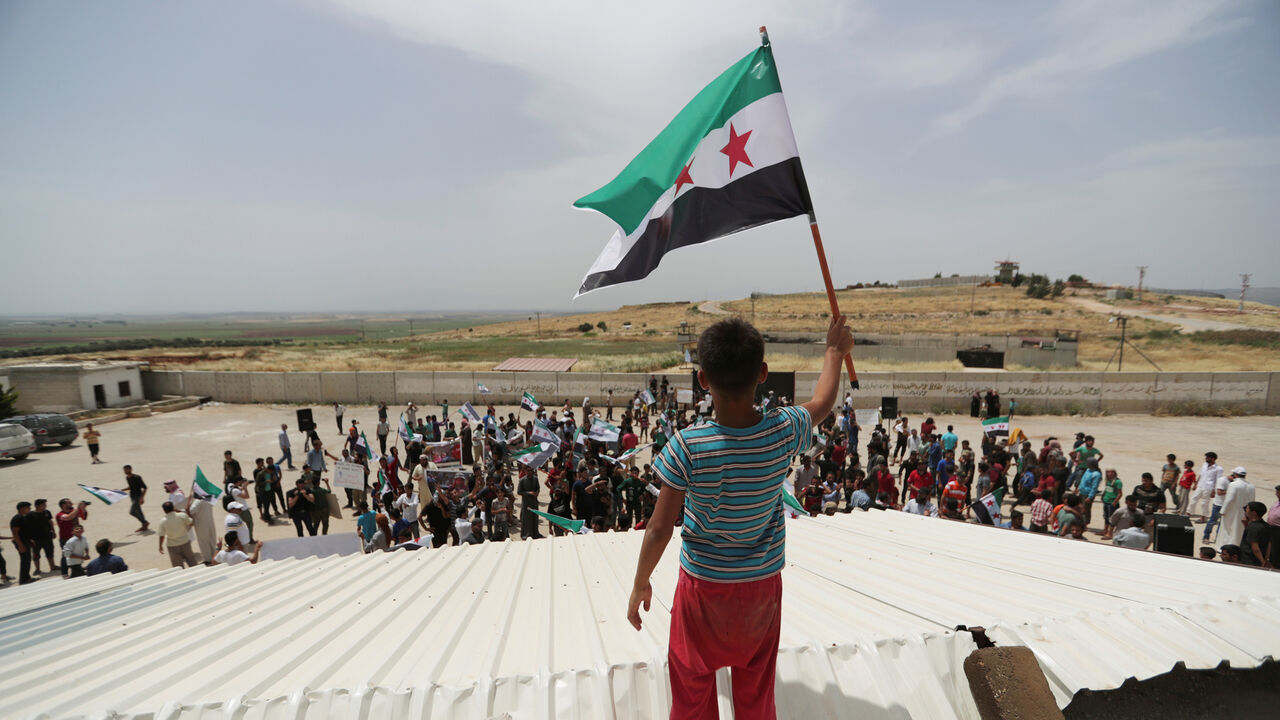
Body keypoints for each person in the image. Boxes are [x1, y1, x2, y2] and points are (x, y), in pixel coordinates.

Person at [627, 314, 852, 719]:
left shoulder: (686, 445)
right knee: (756, 694)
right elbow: (823, 402)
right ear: (763, 373)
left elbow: (660, 528)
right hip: (760, 593)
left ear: (702, 379)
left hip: (701, 592)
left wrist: (641, 583)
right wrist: (834, 351)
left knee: (692, 693)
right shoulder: (784, 430)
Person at [1219, 468, 1255, 548]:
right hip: (1246, 512)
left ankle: (1226, 547)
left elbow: (1229, 499)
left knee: (1228, 530)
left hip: (1232, 512)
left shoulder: (1233, 484)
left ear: (1235, 474)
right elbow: (1252, 500)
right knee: (1240, 530)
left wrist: (1223, 510)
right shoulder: (1251, 486)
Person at [157, 501, 198, 568]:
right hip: (185, 542)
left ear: (164, 510)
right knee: (192, 562)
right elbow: (191, 522)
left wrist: (160, 546)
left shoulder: (163, 521)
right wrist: (183, 512)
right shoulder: (182, 516)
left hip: (172, 546)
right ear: (173, 508)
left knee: (178, 567)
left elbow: (162, 535)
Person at [1201, 457, 1232, 542]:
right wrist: (1231, 491)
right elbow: (1219, 492)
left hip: (1227, 505)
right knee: (1212, 521)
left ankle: (1218, 539)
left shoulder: (1233, 483)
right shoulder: (1223, 480)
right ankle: (1206, 537)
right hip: (1218, 504)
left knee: (1222, 524)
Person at [10, 502, 38, 584]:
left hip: (25, 541)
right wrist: (20, 545)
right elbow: (15, 532)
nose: (29, 509)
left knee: (27, 559)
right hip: (21, 542)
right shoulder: (17, 518)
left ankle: (26, 577)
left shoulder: (23, 517)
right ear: (22, 508)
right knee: (25, 560)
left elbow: (24, 531)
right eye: (28, 507)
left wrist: (30, 540)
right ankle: (24, 579)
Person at [1190, 452, 1223, 522]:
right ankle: (1188, 514)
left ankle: (1203, 518)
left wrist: (1214, 491)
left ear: (1213, 459)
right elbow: (1200, 474)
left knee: (1205, 503)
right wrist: (1196, 484)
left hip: (1209, 488)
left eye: (1207, 457)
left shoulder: (1218, 469)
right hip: (1200, 485)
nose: (1206, 458)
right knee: (1193, 499)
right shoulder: (1204, 465)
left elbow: (1218, 481)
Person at [188, 490, 218, 564]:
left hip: (201, 525)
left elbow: (191, 511)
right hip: (210, 524)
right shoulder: (209, 500)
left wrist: (187, 508)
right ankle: (215, 557)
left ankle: (207, 560)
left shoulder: (197, 502)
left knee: (204, 542)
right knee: (212, 541)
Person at [28, 499, 56, 575]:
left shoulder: (47, 512)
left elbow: (50, 522)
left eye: (45, 504)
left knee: (50, 552)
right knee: (36, 554)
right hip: (36, 539)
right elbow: (27, 527)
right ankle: (37, 569)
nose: (45, 506)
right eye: (43, 504)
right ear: (37, 505)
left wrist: (53, 531)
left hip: (47, 537)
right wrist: (30, 538)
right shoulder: (30, 515)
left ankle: (52, 567)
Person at [1239, 501, 1270, 568]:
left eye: (1247, 509)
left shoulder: (1253, 527)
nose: (1245, 511)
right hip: (1259, 559)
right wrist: (1265, 558)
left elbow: (1255, 547)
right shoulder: (1266, 526)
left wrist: (1263, 562)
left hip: (1249, 560)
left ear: (1254, 513)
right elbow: (1269, 544)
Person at [123, 464, 149, 532]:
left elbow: (145, 487)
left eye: (127, 469)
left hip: (137, 497)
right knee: (139, 511)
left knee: (132, 512)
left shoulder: (137, 477)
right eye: (125, 470)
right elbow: (130, 487)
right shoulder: (127, 478)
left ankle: (145, 522)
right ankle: (144, 525)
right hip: (132, 496)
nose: (126, 471)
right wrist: (121, 490)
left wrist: (142, 498)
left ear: (131, 469)